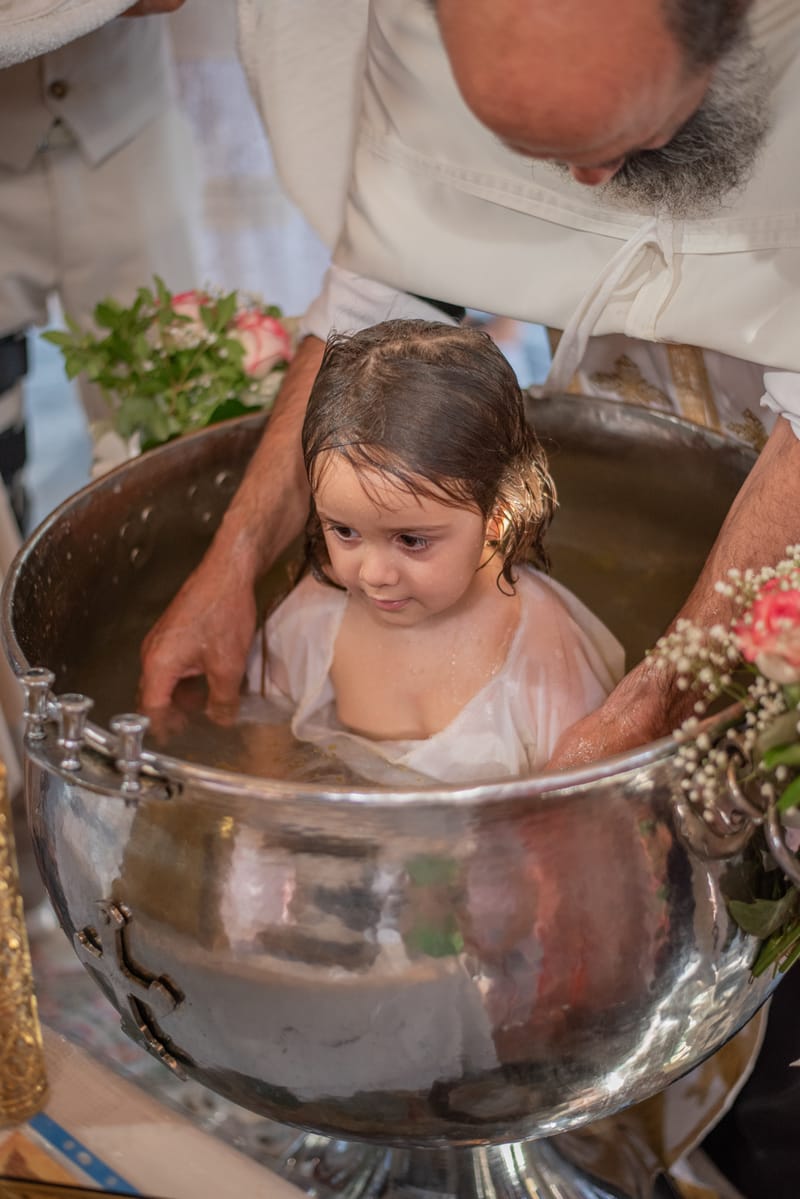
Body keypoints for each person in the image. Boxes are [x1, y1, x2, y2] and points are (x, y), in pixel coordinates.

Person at [245, 319, 623, 785]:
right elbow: (267, 723)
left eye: (411, 540)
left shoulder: (543, 660)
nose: (374, 574)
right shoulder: (317, 614)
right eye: (343, 530)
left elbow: (581, 806)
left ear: (497, 516)